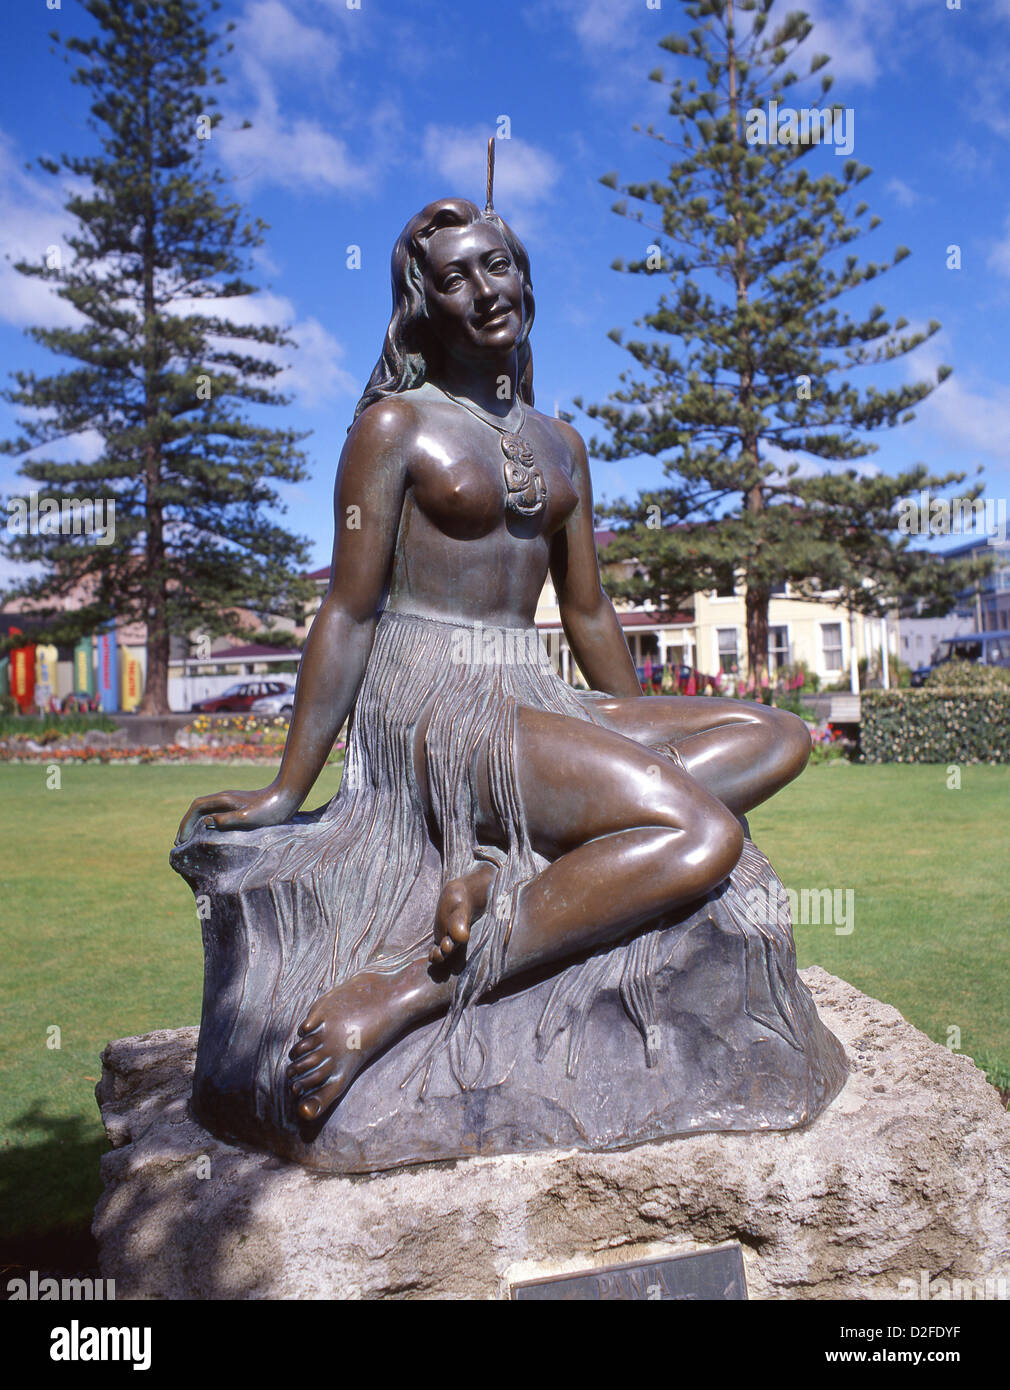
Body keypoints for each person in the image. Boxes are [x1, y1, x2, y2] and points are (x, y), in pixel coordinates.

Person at [176, 195, 810, 1125]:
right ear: (421, 305)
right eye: (455, 277)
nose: (485, 289)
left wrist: (630, 742)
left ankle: (504, 872)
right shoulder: (392, 429)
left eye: (499, 264)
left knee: (777, 735)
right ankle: (401, 992)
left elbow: (587, 609)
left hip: (530, 685)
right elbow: (349, 611)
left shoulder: (563, 444)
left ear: (524, 277)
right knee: (703, 834)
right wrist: (284, 788)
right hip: (435, 699)